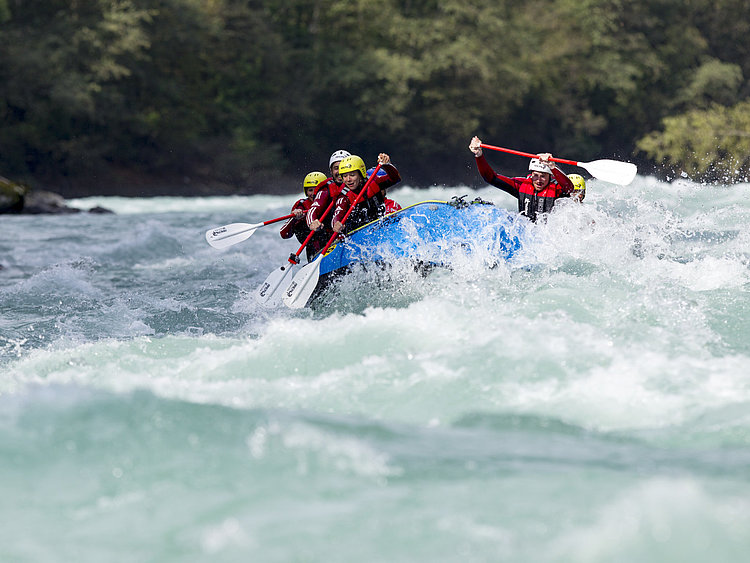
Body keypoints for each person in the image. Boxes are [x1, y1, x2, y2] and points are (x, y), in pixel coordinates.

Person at [468, 136, 574, 222]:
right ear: (531, 174)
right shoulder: (522, 185)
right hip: (527, 236)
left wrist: (552, 166)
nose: (539, 180)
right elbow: (491, 178)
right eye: (535, 175)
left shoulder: (555, 188)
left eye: (543, 176)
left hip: (548, 238)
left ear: (550, 176)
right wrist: (479, 155)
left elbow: (569, 189)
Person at [331, 153, 401, 233]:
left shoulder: (373, 182)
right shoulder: (343, 196)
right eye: (345, 176)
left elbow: (395, 179)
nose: (348, 179)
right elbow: (337, 215)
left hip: (380, 228)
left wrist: (387, 165)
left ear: (361, 174)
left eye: (352, 175)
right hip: (357, 236)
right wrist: (336, 224)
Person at [280, 171, 327, 261]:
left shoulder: (333, 201)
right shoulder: (301, 205)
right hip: (314, 252)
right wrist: (294, 218)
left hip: (333, 243)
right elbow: (284, 234)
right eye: (310, 190)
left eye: (317, 189)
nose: (313, 193)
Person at [306, 149, 351, 234]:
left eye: (342, 167)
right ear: (331, 171)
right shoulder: (325, 190)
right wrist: (312, 222)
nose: (339, 171)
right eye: (336, 168)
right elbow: (313, 210)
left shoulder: (361, 183)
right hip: (334, 235)